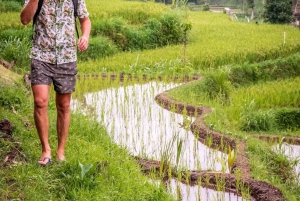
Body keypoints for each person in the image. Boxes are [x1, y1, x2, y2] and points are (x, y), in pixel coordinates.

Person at [20, 0, 91, 165]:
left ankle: (60, 152)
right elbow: (24, 19)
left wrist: (85, 36)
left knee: (64, 105)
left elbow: (85, 19)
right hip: (41, 55)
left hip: (66, 57)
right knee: (40, 101)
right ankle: (46, 150)